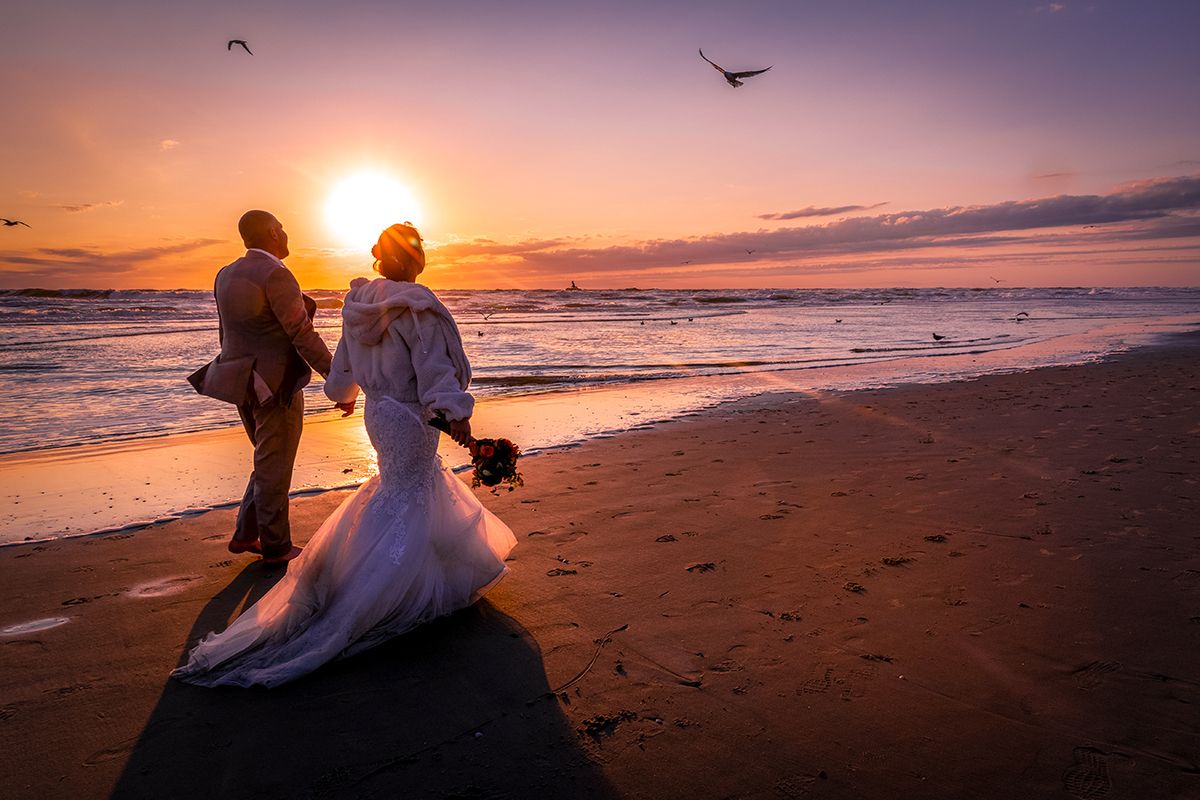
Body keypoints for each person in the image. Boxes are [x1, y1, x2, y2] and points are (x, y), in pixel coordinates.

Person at [173, 223, 516, 687]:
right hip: (410, 416)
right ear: (416, 258)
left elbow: (343, 369)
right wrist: (455, 413)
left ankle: (376, 571)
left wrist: (345, 393)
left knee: (400, 488)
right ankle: (388, 588)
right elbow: (432, 368)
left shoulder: (360, 304)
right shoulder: (417, 306)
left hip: (378, 414)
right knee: (411, 491)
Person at [193, 210, 339, 564]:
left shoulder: (225, 274)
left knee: (267, 458)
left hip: (237, 380)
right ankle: (276, 546)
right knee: (275, 463)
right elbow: (301, 332)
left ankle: (246, 533)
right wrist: (336, 377)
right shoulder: (276, 273)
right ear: (273, 233)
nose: (287, 234)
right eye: (283, 228)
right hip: (275, 385)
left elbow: (226, 334)